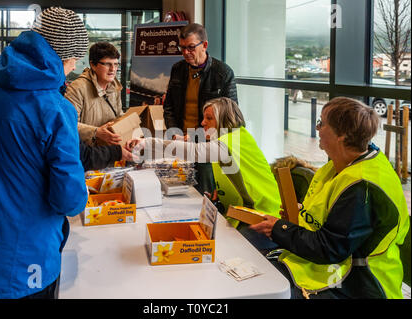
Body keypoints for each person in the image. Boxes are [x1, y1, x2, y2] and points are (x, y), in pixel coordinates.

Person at [0, 7, 89, 299]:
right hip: (25, 262)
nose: (74, 68)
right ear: (64, 57)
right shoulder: (56, 111)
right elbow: (69, 200)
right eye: (75, 60)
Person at [250, 97, 410, 299]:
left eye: (322, 123)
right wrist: (299, 213)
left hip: (358, 284)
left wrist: (279, 228)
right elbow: (331, 219)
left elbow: (330, 249)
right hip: (328, 268)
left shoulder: (362, 185)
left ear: (341, 135)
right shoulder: (341, 165)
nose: (317, 128)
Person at [128, 97, 281, 251]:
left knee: (226, 249)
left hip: (265, 220)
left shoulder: (231, 141)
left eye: (209, 118)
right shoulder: (232, 138)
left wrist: (148, 142)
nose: (202, 123)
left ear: (224, 119)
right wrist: (221, 194)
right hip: (247, 215)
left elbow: (194, 152)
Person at [163, 23, 238, 195]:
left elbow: (229, 118)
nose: (185, 53)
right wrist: (174, 132)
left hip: (206, 146)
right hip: (180, 141)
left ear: (204, 45)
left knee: (204, 194)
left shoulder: (223, 73)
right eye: (182, 48)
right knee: (178, 192)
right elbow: (169, 106)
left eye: (190, 47)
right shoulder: (178, 69)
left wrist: (196, 135)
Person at [65, 42, 124, 146]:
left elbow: (119, 115)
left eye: (116, 64)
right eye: (107, 64)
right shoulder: (77, 88)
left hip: (110, 150)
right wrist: (95, 132)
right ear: (93, 65)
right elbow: (68, 124)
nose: (113, 69)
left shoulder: (115, 86)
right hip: (87, 153)